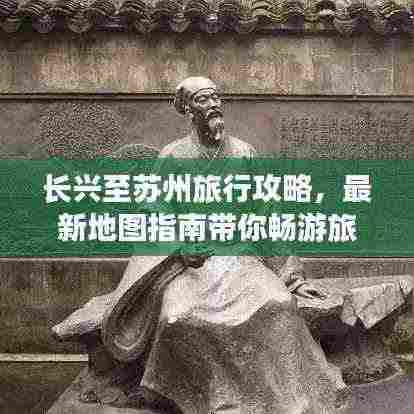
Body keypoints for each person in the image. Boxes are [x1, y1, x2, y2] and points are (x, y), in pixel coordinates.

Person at [53, 76, 347, 414]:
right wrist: (180, 247)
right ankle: (205, 398)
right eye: (203, 100)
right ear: (188, 110)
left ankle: (285, 399)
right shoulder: (173, 156)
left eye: (216, 98)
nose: (213, 105)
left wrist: (292, 278)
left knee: (278, 303)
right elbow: (154, 215)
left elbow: (267, 215)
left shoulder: (243, 153)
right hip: (189, 264)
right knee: (177, 318)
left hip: (239, 257)